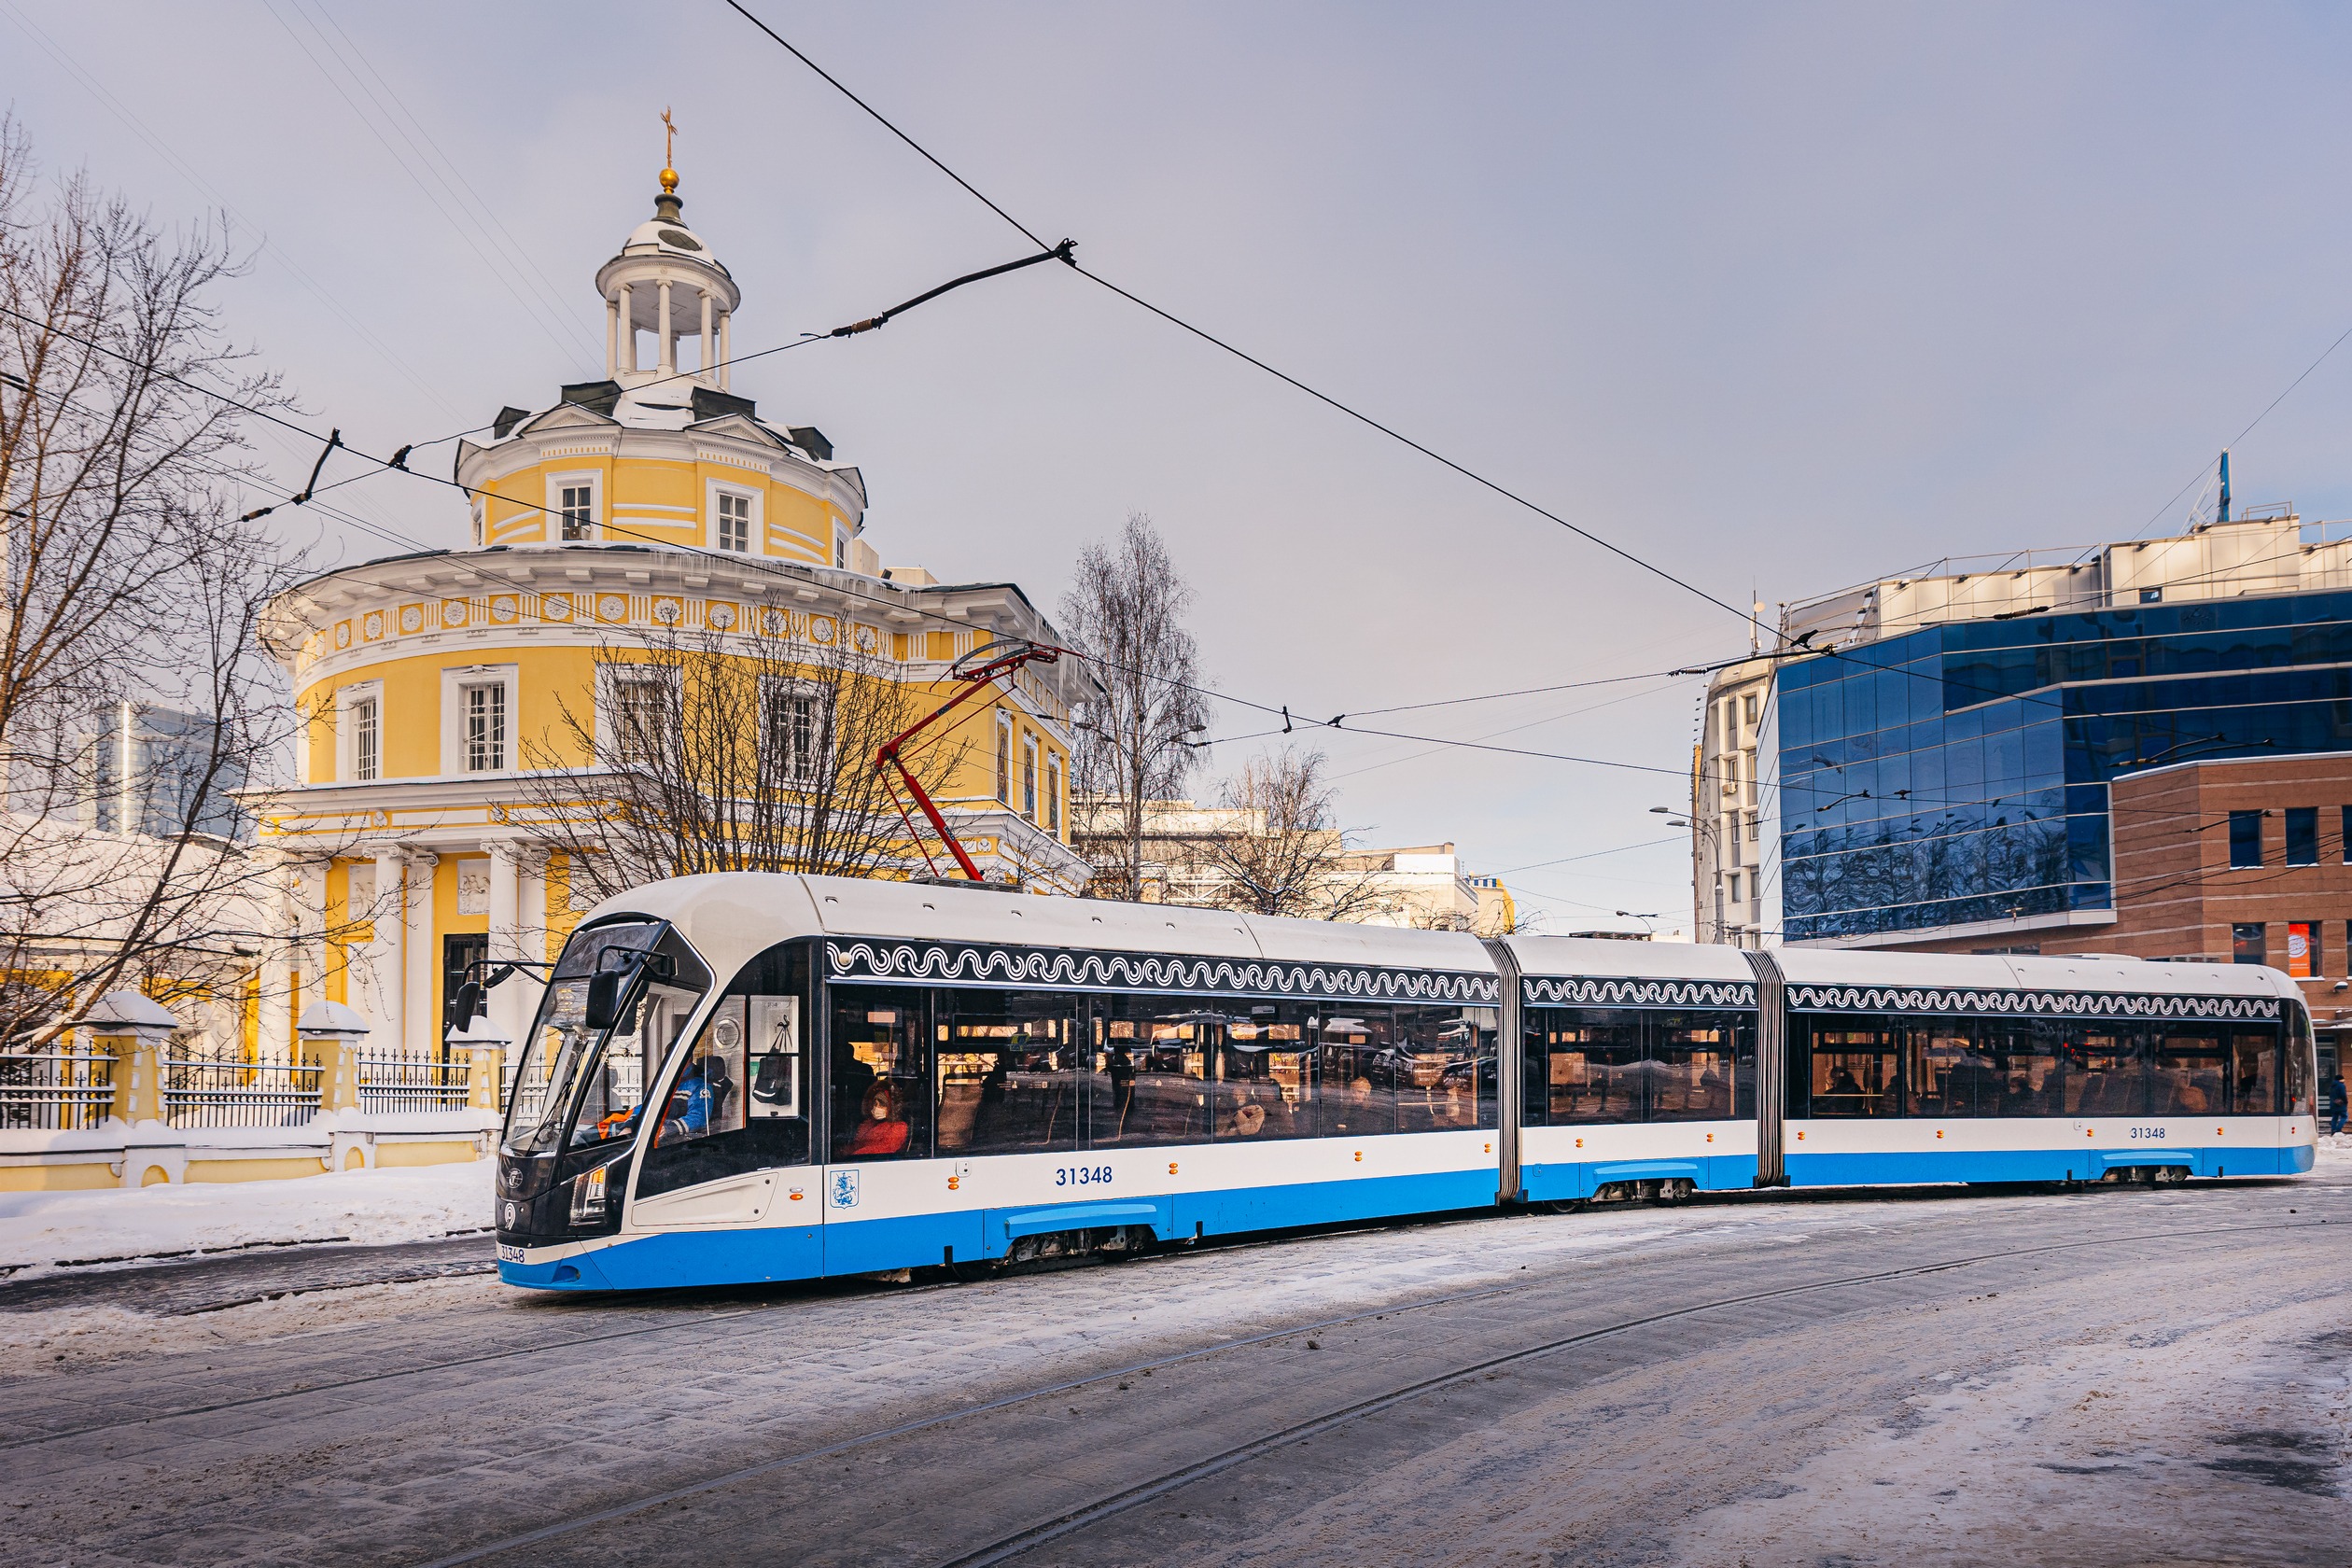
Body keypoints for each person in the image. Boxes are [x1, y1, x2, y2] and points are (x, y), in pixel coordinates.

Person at [841, 1079, 911, 1158]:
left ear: (891, 1107)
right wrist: (843, 1153)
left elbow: (885, 1149)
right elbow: (857, 1145)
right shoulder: (869, 1124)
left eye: (882, 1104)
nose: (876, 1108)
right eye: (875, 1104)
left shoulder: (898, 1127)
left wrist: (855, 1155)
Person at [2329, 1067, 2347, 1137]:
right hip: (2340, 1104)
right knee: (2344, 1116)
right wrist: (2345, 1102)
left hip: (2333, 1104)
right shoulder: (2341, 1085)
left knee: (2335, 1117)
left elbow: (2330, 1095)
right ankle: (2338, 1130)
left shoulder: (2332, 1086)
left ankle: (2333, 1130)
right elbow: (2343, 1095)